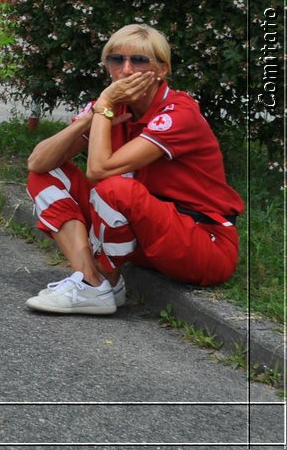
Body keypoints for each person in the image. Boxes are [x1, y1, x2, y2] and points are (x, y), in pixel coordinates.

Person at [21, 24, 243, 316]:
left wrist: (104, 108)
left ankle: (100, 283)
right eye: (116, 60)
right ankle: (92, 281)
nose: (126, 70)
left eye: (138, 61)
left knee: (113, 188)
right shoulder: (109, 106)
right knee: (46, 175)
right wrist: (92, 118)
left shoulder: (179, 113)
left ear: (162, 70)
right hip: (145, 235)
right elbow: (37, 163)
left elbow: (99, 170)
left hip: (202, 243)